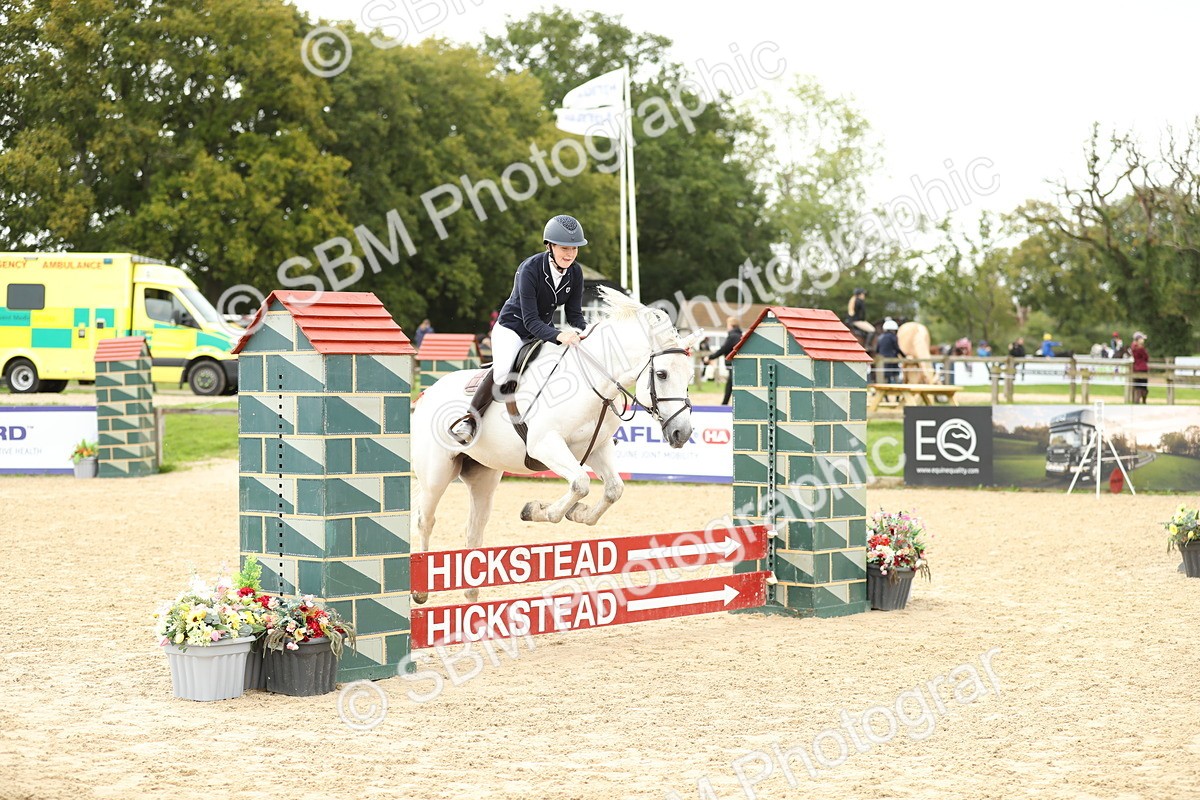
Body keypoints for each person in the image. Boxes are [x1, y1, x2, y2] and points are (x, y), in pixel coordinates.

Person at [449, 214, 588, 445]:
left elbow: (574, 314)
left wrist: (584, 333)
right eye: (564, 247)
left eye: (574, 248)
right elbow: (530, 320)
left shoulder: (575, 272)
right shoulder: (530, 269)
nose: (570, 254)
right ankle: (470, 420)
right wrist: (559, 335)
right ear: (550, 246)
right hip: (513, 328)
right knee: (504, 372)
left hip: (542, 330)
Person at [702, 316, 743, 406]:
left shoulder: (732, 336)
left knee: (732, 384)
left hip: (734, 364)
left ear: (731, 325)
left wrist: (710, 357)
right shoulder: (740, 336)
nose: (727, 327)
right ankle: (725, 403)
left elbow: (723, 349)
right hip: (739, 364)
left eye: (728, 325)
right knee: (731, 384)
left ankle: (726, 404)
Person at [876, 318, 903, 384]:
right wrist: (904, 355)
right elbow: (897, 348)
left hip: (883, 361)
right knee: (896, 376)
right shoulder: (893, 337)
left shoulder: (880, 337)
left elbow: (877, 350)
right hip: (893, 360)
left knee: (885, 377)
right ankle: (898, 392)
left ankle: (884, 393)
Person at [1131, 331, 1149, 404]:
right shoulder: (1141, 349)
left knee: (1137, 385)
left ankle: (1136, 400)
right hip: (1142, 368)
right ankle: (1143, 401)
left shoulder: (1133, 347)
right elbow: (1146, 358)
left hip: (1135, 368)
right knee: (1143, 386)